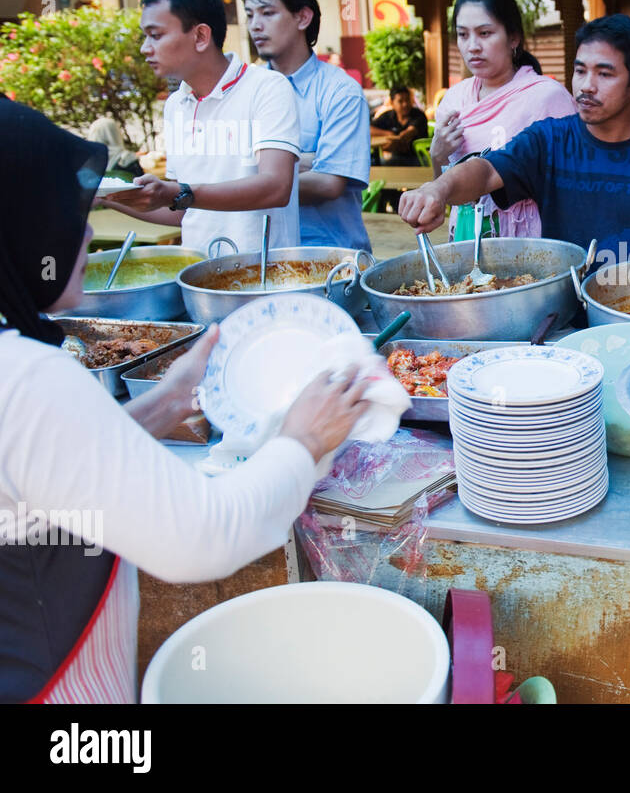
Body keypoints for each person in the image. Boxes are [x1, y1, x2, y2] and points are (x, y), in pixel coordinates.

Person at [0, 97, 371, 702]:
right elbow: (202, 535)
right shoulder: (26, 377)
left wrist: (159, 405)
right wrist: (305, 441)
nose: (88, 233)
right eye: (66, 214)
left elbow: (40, 477)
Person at [398, 14, 630, 259]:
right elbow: (484, 171)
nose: (586, 86)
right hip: (562, 317)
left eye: (604, 74)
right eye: (580, 71)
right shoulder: (550, 140)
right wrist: (437, 189)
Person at [103, 0, 301, 254]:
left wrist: (178, 192)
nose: (145, 49)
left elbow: (276, 187)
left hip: (264, 279)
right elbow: (183, 211)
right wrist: (107, 198)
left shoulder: (267, 88)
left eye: (155, 35)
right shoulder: (176, 105)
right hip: (199, 279)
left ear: (200, 36)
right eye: (145, 37)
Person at [241, 0, 372, 252]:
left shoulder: (340, 91)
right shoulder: (246, 90)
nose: (255, 25)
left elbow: (328, 183)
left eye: (267, 13)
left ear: (302, 17)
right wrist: (303, 161)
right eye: (250, 15)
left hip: (331, 261)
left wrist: (258, 170)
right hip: (262, 256)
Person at [433, 0, 576, 238]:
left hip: (531, 241)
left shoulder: (546, 97)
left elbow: (571, 184)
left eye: (485, 33)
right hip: (466, 237)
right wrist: (437, 156)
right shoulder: (453, 99)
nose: (472, 46)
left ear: (514, 38)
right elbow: (445, 194)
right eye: (463, 35)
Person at [371, 86, 428, 166]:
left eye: (407, 100)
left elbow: (408, 133)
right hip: (396, 157)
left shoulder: (419, 115)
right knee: (372, 163)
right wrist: (388, 134)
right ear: (392, 103)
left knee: (382, 164)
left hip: (418, 159)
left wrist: (394, 143)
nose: (405, 104)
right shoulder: (389, 115)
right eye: (400, 101)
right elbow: (369, 129)